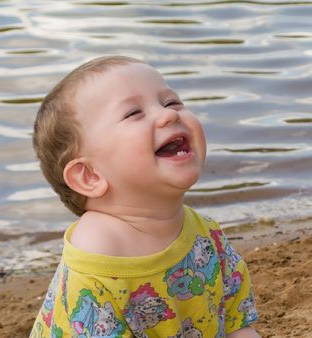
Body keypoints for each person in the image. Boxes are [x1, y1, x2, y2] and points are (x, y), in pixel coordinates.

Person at [30, 55, 259, 337]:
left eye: (171, 102)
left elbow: (236, 322)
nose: (169, 115)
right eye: (133, 113)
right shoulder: (98, 254)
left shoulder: (206, 234)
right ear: (90, 176)